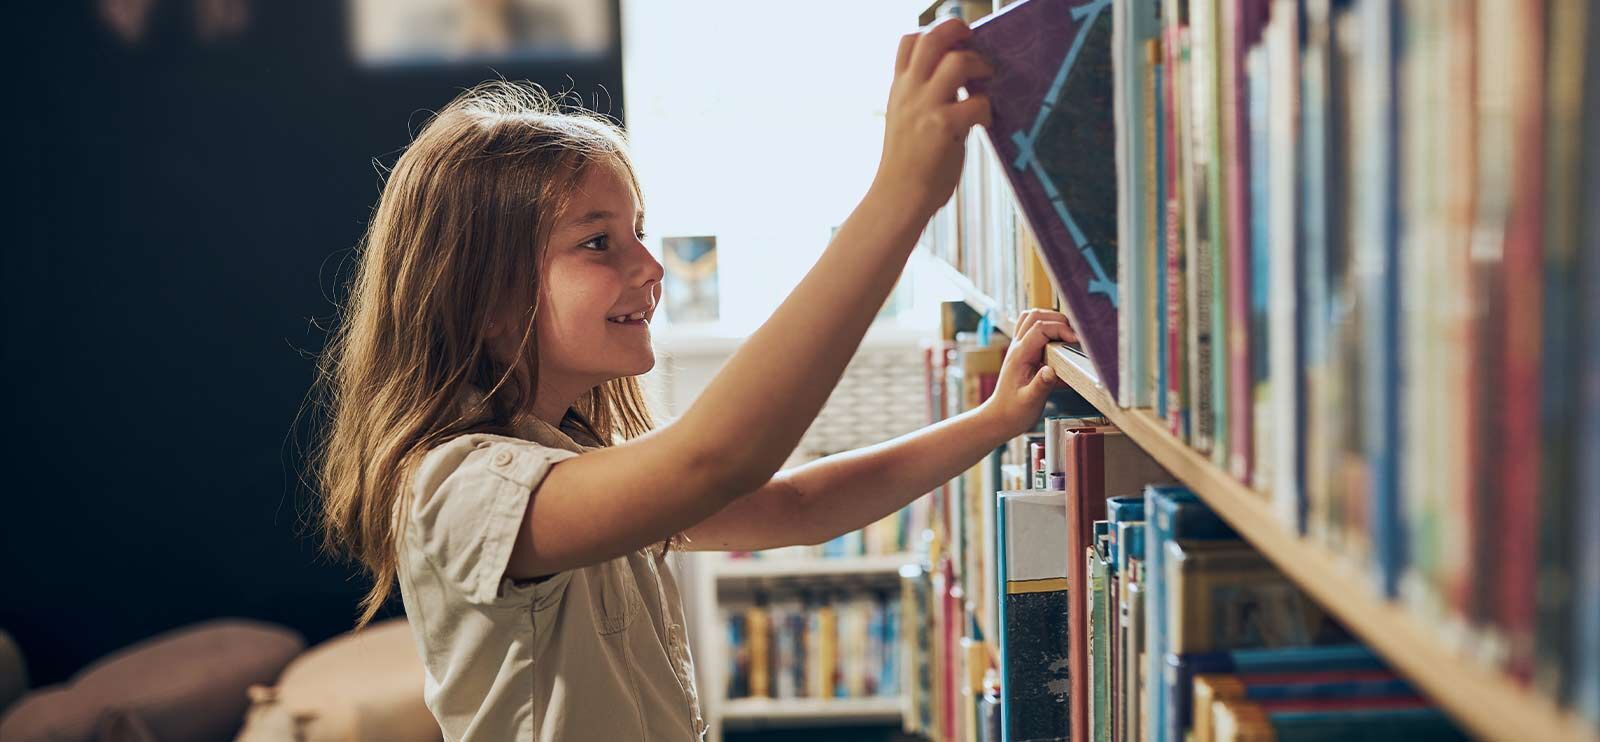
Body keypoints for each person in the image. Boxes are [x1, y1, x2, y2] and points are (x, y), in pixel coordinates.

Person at [312, 17, 1075, 741]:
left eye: (638, 232)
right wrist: (900, 196)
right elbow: (714, 460)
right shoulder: (460, 488)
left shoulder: (576, 462)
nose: (650, 267)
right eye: (599, 243)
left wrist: (993, 421)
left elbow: (801, 506)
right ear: (485, 296)